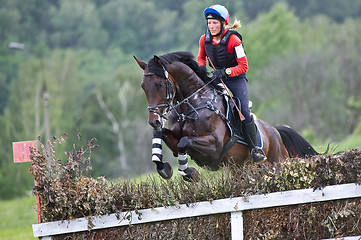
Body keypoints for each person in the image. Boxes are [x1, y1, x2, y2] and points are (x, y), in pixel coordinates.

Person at [197, 4, 266, 163]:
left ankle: (255, 148)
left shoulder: (234, 40)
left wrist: (226, 72)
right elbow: (201, 58)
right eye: (209, 23)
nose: (211, 26)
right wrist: (201, 68)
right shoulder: (204, 39)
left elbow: (244, 66)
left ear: (223, 24)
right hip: (216, 78)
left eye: (215, 23)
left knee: (243, 110)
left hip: (236, 79)